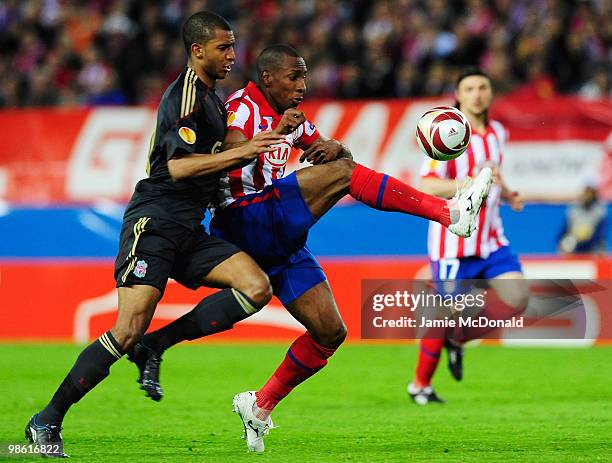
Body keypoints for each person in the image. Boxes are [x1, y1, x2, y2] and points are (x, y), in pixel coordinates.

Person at [130, 45, 493, 452]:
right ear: (267, 78)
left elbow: (342, 163)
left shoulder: (293, 117)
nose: (302, 86)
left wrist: (335, 146)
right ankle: (449, 213)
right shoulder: (242, 108)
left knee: (329, 332)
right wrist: (293, 138)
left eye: (304, 77)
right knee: (341, 177)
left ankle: (259, 406)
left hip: (278, 235)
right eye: (293, 77)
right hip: (243, 218)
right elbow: (227, 160)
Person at [24, 11, 285, 458]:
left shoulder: (212, 101)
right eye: (223, 48)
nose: (231, 56)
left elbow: (220, 153)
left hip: (189, 228)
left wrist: (269, 136)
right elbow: (179, 167)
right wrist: (243, 154)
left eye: (233, 47)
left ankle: (156, 344)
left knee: (255, 286)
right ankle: (46, 420)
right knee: (125, 329)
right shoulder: (185, 97)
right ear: (197, 50)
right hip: (156, 221)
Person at [408, 67, 529, 405]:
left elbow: (494, 172)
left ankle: (458, 339)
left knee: (518, 298)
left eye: (483, 87)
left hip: (491, 240)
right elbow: (428, 185)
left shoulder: (498, 133)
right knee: (442, 313)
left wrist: (508, 193)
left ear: (490, 93)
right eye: (469, 88)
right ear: (458, 95)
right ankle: (420, 386)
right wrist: (471, 183)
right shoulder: (446, 132)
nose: (477, 94)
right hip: (452, 244)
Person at [558, 182, 607, 254]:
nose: (587, 195)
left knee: (600, 247)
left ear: (594, 194)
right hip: (575, 245)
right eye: (586, 192)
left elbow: (599, 234)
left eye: (590, 192)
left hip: (592, 246)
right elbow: (564, 230)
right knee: (566, 246)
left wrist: (583, 245)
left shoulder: (600, 211)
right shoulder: (574, 210)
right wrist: (561, 241)